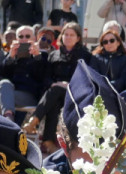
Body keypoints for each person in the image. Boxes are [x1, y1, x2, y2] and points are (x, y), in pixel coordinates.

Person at [22, 22, 93, 153]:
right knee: (54, 98)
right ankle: (48, 142)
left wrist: (68, 85)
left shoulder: (85, 56)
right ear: (62, 36)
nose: (68, 37)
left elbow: (86, 78)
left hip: (75, 93)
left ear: (78, 38)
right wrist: (54, 84)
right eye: (66, 34)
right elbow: (46, 77)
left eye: (72, 35)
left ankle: (34, 120)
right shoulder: (54, 54)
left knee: (55, 91)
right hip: (55, 93)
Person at [0, 25, 49, 121]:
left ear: (34, 38)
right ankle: (8, 117)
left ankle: (7, 121)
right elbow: (2, 73)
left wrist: (37, 56)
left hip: (31, 94)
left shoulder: (43, 55)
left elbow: (43, 76)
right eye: (21, 36)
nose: (24, 39)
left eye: (27, 36)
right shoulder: (12, 53)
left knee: (6, 97)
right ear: (17, 39)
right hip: (12, 92)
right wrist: (11, 57)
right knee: (4, 83)